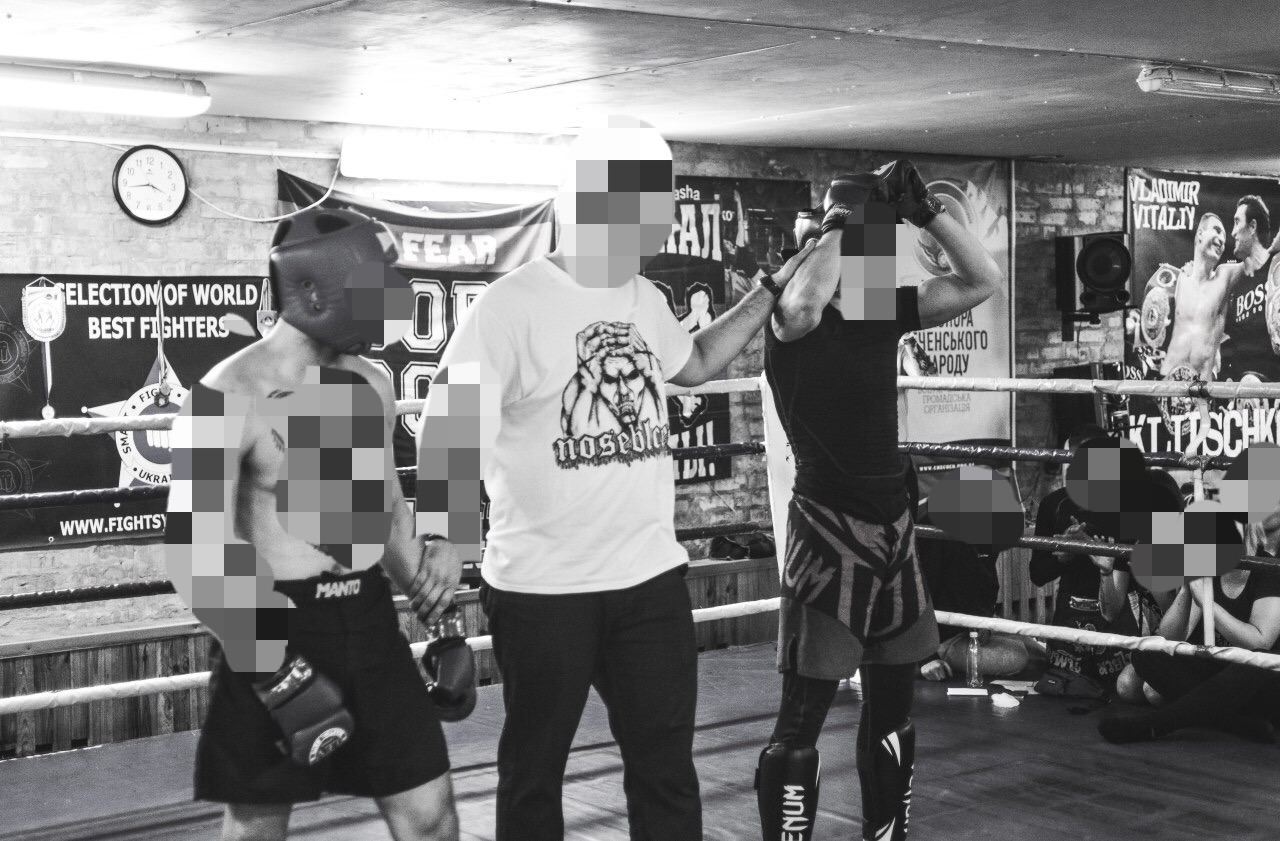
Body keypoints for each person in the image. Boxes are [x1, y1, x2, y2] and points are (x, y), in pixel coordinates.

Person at [414, 115, 815, 841]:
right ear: (596, 203)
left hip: (648, 582)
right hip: (543, 590)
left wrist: (768, 290)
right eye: (648, 205)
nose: (659, 224)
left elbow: (694, 363)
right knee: (534, 772)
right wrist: (443, 535)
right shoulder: (509, 308)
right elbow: (448, 426)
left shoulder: (642, 296)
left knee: (666, 770)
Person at [166, 207, 462, 841]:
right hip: (274, 622)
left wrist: (438, 608)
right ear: (314, 290)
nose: (391, 299)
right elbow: (197, 547)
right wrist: (274, 669)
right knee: (257, 828)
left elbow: (383, 508)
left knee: (431, 818)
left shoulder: (369, 382)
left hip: (368, 619)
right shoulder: (223, 394)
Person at [756, 159, 1004, 841]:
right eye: (863, 242)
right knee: (801, 724)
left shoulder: (880, 311)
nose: (872, 256)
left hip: (893, 531)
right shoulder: (791, 322)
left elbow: (983, 280)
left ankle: (885, 834)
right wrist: (846, 219)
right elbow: (803, 304)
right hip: (827, 534)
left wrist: (927, 213)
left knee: (895, 713)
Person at [1030, 426, 1176, 698]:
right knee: (1062, 691)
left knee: (1123, 689)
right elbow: (1037, 574)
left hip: (1119, 617)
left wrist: (1095, 552)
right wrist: (1064, 556)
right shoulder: (1054, 505)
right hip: (1069, 620)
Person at [1098, 564, 1280, 744]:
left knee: (1257, 659)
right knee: (1145, 652)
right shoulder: (1210, 570)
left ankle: (1155, 725)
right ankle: (1235, 723)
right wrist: (1186, 589)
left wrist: (1207, 604)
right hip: (1220, 677)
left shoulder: (1267, 569)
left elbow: (1260, 643)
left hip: (1259, 683)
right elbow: (1170, 637)